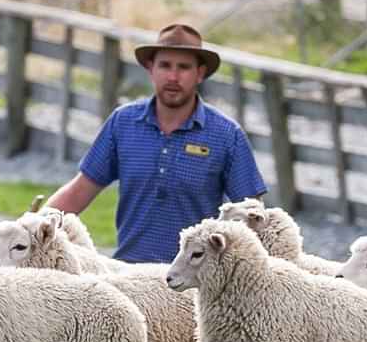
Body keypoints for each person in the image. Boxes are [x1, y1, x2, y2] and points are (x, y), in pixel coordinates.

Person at [44, 23, 267, 264]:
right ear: (151, 69)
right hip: (130, 275)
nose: (173, 76)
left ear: (200, 73)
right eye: (165, 65)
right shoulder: (124, 123)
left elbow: (253, 216)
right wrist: (30, 227)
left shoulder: (226, 135)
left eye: (183, 67)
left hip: (195, 282)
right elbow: (79, 192)